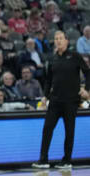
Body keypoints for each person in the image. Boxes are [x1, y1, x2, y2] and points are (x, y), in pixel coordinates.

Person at [33, 31, 90, 170]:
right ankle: (43, 160)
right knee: (47, 129)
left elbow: (88, 73)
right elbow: (48, 80)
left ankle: (66, 161)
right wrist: (45, 96)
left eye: (60, 38)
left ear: (66, 41)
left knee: (69, 131)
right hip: (55, 101)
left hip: (71, 101)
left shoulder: (75, 56)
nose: (58, 41)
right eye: (56, 39)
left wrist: (87, 90)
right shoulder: (52, 59)